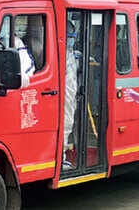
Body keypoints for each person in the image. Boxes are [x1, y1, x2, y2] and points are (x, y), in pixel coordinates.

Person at [63, 20, 79, 169]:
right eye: (71, 35)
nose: (72, 38)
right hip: (65, 97)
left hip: (70, 95)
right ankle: (61, 157)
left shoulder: (69, 53)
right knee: (65, 123)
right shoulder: (63, 54)